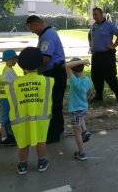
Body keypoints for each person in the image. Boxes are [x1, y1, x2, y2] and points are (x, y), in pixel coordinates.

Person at [5, 47, 54, 175]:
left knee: (23, 143)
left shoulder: (13, 84)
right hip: (41, 120)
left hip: (20, 121)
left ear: (21, 66)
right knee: (41, 141)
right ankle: (42, 162)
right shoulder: (47, 81)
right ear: (40, 63)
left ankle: (22, 166)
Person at [26, 15, 66, 144]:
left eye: (31, 28)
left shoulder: (47, 36)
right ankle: (56, 130)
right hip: (53, 73)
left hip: (55, 73)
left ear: (37, 24)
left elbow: (45, 59)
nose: (32, 31)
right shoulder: (46, 34)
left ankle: (54, 134)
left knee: (54, 103)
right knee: (53, 103)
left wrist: (29, 67)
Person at [88, 7, 118, 105]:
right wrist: (91, 45)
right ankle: (98, 96)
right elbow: (90, 35)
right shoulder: (94, 26)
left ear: (101, 14)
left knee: (111, 77)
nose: (94, 16)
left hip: (107, 56)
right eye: (93, 14)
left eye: (96, 14)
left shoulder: (109, 25)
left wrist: (114, 45)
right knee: (95, 77)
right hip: (96, 56)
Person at [65, 58, 92, 161]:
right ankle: (85, 131)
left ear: (73, 71)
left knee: (77, 132)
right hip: (84, 107)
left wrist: (82, 61)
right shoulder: (87, 80)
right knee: (81, 119)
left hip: (75, 110)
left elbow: (67, 65)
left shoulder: (74, 81)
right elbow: (89, 93)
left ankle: (82, 153)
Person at [0, 49, 17, 146]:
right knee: (5, 118)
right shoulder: (8, 71)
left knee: (8, 117)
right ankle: (4, 138)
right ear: (9, 59)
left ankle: (8, 136)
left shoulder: (8, 69)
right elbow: (15, 83)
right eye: (15, 59)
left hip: (6, 97)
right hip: (6, 98)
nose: (16, 61)